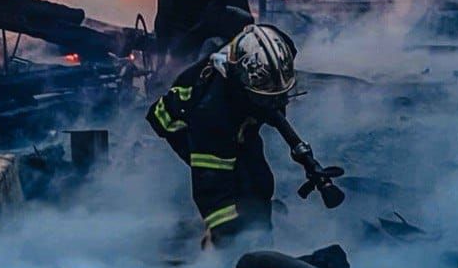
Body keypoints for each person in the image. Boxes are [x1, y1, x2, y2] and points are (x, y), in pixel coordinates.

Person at [146, 24, 343, 249]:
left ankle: (260, 233)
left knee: (260, 180)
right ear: (242, 83)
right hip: (180, 125)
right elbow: (210, 187)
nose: (276, 103)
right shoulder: (213, 115)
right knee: (232, 184)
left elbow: (268, 96)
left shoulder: (266, 51)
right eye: (267, 97)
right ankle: (213, 245)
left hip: (237, 116)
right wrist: (229, 238)